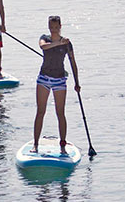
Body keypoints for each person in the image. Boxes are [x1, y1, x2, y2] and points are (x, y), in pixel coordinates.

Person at [30, 15, 81, 154]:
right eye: (51, 27)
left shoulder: (67, 44)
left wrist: (77, 82)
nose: (53, 30)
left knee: (60, 113)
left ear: (60, 27)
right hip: (44, 79)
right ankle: (35, 144)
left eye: (56, 27)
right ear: (48, 27)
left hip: (59, 80)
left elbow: (73, 62)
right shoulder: (45, 38)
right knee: (41, 111)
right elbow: (43, 47)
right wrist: (59, 43)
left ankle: (63, 145)